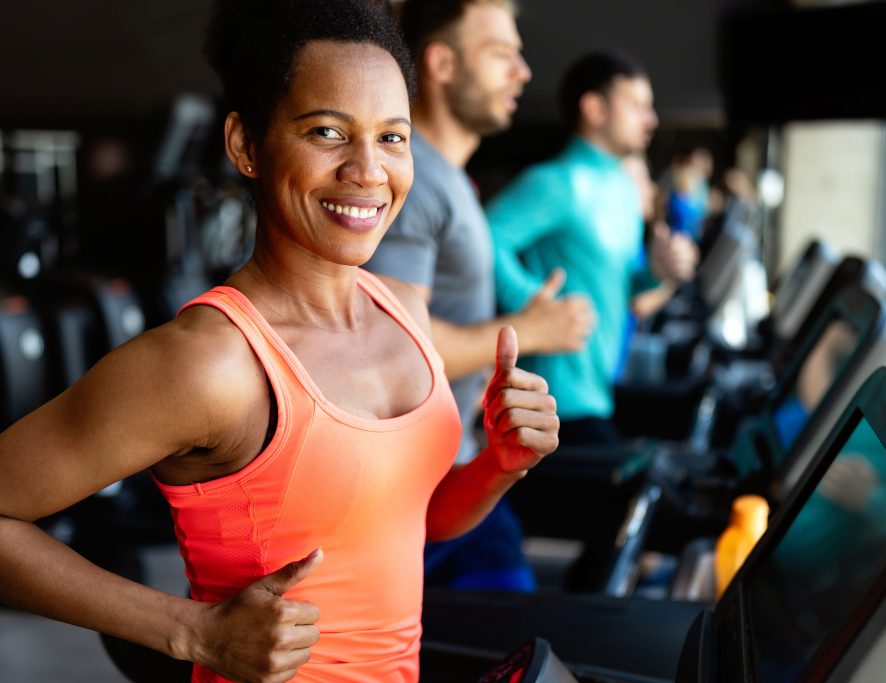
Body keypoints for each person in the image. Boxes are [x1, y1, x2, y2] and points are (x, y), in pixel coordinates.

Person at [0, 2, 558, 682]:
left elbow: (411, 522)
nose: (367, 170)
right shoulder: (209, 363)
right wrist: (190, 631)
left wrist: (499, 463)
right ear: (244, 145)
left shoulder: (406, 312)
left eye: (392, 137)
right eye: (327, 132)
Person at [364, 0, 592, 592]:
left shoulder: (447, 178)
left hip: (457, 472)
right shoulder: (414, 180)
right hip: (418, 493)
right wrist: (531, 330)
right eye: (500, 55)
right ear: (441, 64)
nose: (522, 72)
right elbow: (391, 343)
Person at [487, 51, 697, 447]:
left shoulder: (621, 187)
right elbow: (482, 238)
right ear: (594, 108)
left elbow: (619, 285)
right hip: (552, 405)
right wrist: (533, 306)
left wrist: (656, 270)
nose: (650, 119)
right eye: (636, 105)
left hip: (599, 390)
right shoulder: (557, 182)